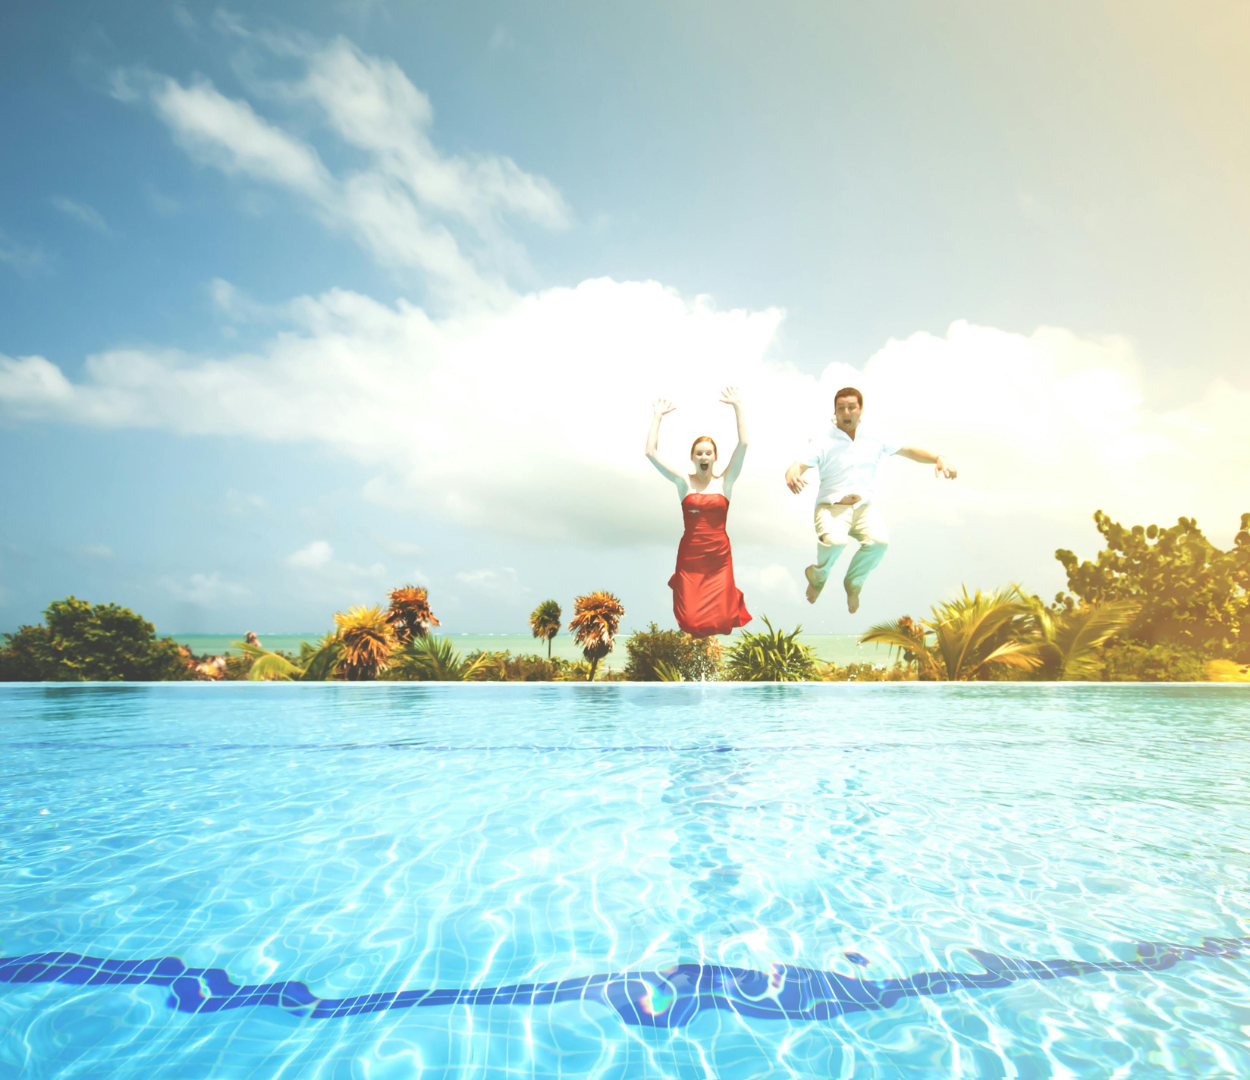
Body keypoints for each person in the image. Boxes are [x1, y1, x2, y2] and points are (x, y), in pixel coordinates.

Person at [784, 386, 956, 612]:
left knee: (879, 543)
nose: (846, 413)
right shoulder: (822, 439)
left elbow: (910, 450)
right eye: (841, 408)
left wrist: (938, 458)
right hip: (832, 508)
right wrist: (792, 476)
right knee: (835, 542)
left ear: (860, 410)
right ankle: (817, 578)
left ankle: (853, 584)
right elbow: (797, 466)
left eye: (851, 407)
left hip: (864, 508)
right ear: (835, 411)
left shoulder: (875, 435)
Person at [646, 387, 752, 638]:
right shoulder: (683, 482)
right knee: (690, 618)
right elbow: (650, 453)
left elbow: (744, 443)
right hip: (691, 557)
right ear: (692, 458)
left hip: (718, 557)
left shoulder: (725, 482)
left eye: (708, 453)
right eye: (699, 453)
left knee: (723, 616)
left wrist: (738, 406)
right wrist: (657, 416)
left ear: (715, 457)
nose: (704, 456)